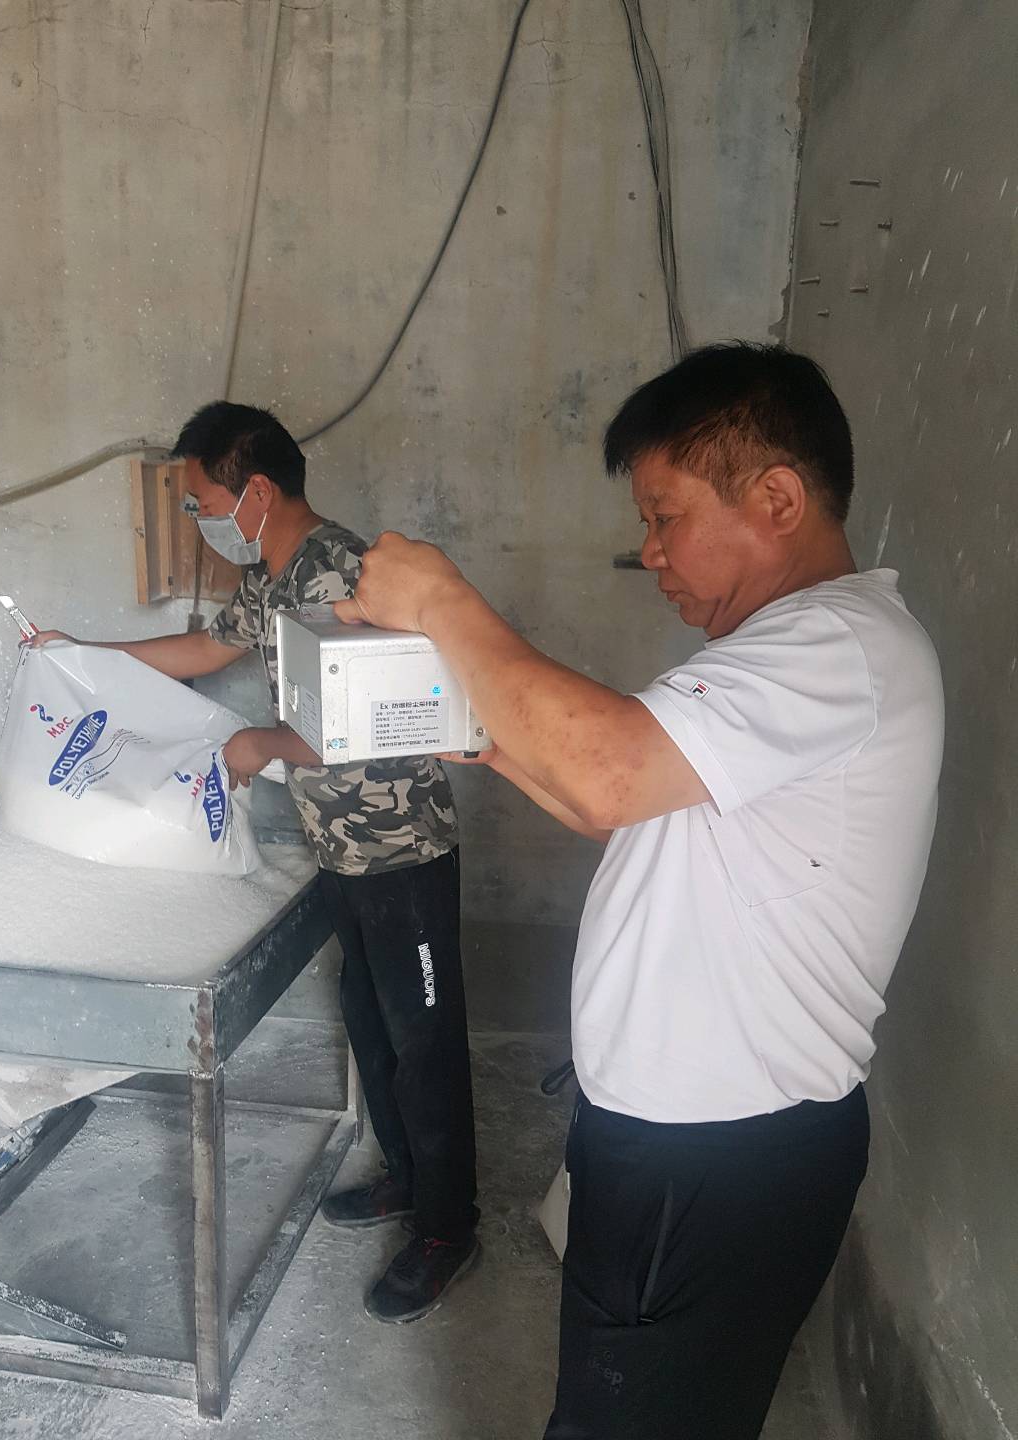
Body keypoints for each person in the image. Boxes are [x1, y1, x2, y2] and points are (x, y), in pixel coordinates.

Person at [332, 344, 944, 1438]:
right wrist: (489, 739)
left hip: (717, 1155)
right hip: (692, 1142)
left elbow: (608, 774)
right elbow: (614, 802)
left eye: (666, 517)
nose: (649, 550)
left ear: (778, 500)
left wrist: (442, 601)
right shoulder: (794, 652)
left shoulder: (832, 645)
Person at [30, 402, 480, 1323]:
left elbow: (390, 715)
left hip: (402, 851)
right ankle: (408, 1178)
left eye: (203, 502)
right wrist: (83, 657)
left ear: (257, 491)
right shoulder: (274, 577)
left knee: (425, 1042)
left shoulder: (347, 574)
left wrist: (261, 745)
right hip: (342, 851)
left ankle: (449, 1228)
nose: (199, 518)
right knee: (371, 1021)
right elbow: (207, 648)